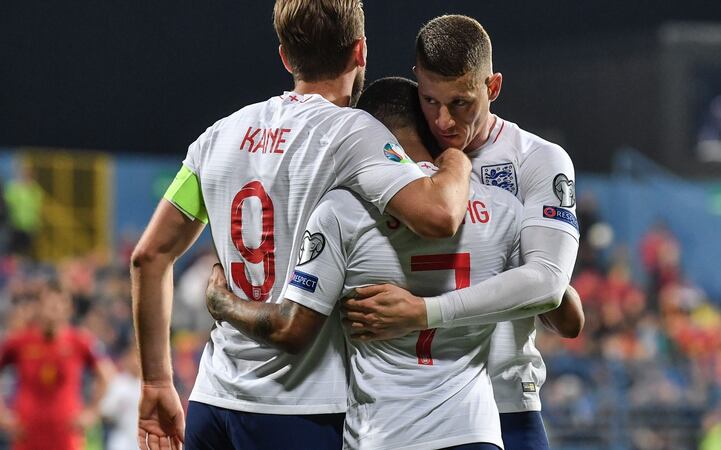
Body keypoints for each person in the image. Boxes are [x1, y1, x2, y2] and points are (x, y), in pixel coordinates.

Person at [130, 1, 473, 449]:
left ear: (286, 57)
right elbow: (439, 214)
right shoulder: (351, 132)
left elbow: (149, 256)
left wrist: (156, 382)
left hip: (212, 403)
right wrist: (457, 160)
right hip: (300, 409)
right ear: (360, 52)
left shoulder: (219, 135)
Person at [205, 76, 583, 449]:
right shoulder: (502, 209)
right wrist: (458, 165)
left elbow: (291, 327)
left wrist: (223, 303)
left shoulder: (342, 213)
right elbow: (568, 317)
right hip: (478, 428)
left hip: (381, 433)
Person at [343, 15, 584, 449]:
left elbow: (549, 285)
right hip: (397, 413)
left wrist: (425, 311)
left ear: (492, 88)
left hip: (505, 405)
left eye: (461, 103)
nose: (444, 121)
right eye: (431, 100)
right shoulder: (390, 153)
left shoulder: (537, 160)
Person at [0, 281, 114, 450]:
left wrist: (92, 412)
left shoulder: (80, 341)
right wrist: (2, 415)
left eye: (60, 303)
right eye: (49, 303)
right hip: (26, 433)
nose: (54, 308)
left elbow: (106, 374)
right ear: (38, 306)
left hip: (66, 434)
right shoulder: (19, 341)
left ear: (69, 309)